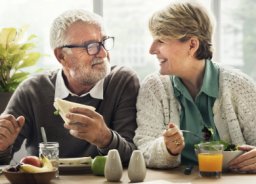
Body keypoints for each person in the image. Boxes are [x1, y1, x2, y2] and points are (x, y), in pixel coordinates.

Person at [0, 9, 139, 165]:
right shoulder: (32, 91)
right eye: (90, 46)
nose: (102, 53)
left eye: (104, 42)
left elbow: (134, 159)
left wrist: (105, 138)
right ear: (62, 56)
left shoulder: (122, 81)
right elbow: (3, 161)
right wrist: (2, 147)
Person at [134, 0, 256, 172]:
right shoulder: (154, 87)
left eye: (160, 40)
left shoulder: (240, 86)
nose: (152, 49)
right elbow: (144, 149)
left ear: (192, 44)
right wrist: (167, 148)